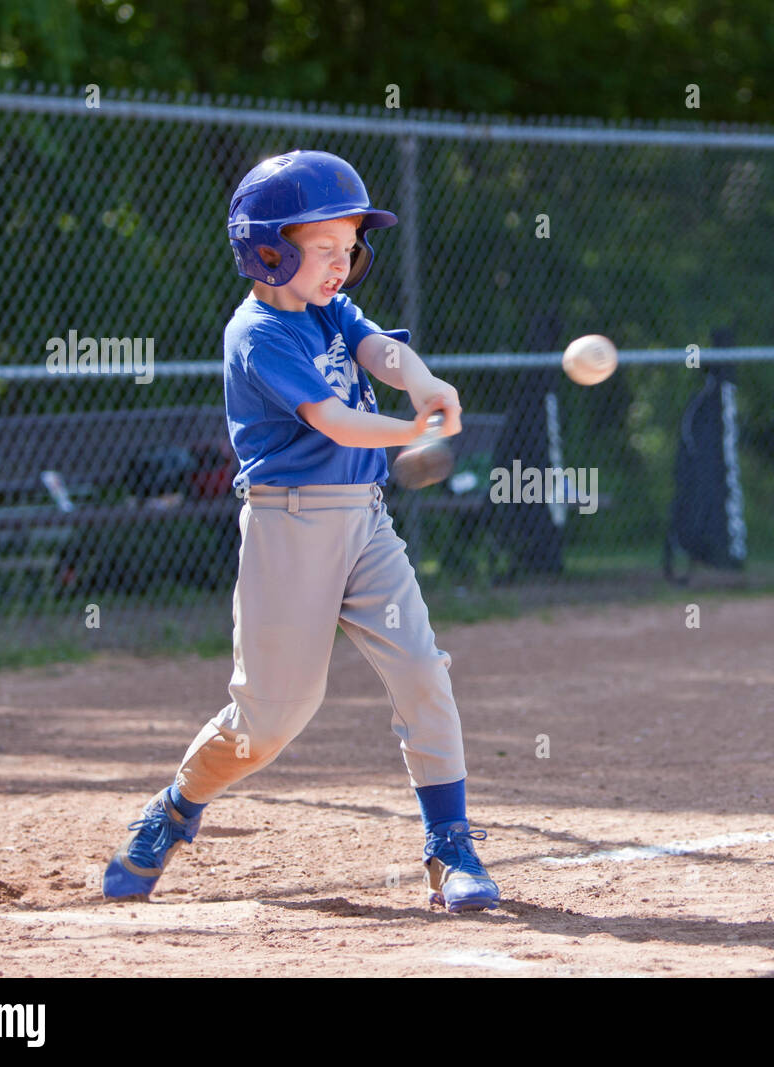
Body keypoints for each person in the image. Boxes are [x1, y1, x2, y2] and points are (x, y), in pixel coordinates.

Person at [101, 150, 499, 913]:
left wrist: (420, 379)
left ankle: (451, 847)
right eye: (324, 250)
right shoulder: (257, 333)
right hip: (290, 531)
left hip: (365, 524)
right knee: (270, 721)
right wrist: (409, 426)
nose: (340, 267)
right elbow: (336, 420)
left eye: (350, 250)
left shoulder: (327, 308)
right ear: (268, 250)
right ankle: (176, 808)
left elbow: (378, 346)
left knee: (423, 668)